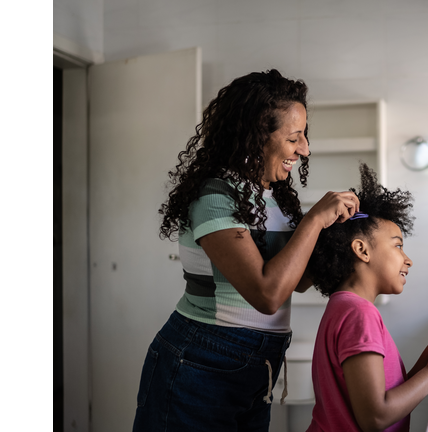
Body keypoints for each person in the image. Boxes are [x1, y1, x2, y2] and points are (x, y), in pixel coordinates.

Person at [132, 69, 360, 432]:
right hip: (201, 363)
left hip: (258, 367)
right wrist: (314, 220)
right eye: (294, 138)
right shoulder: (214, 198)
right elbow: (267, 294)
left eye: (305, 137)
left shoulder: (276, 200)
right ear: (257, 136)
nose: (304, 149)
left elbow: (294, 282)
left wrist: (339, 233)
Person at [305, 164, 428, 432]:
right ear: (362, 250)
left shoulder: (344, 306)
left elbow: (395, 395)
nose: (408, 260)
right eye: (398, 245)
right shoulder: (359, 314)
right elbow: (376, 416)